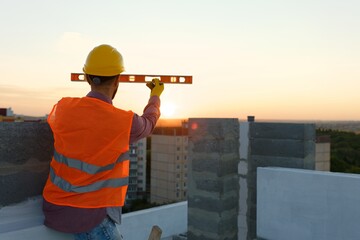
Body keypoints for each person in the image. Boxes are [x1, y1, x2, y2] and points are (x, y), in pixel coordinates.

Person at [42, 44, 164, 239]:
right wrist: (155, 96)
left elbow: (60, 122)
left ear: (86, 77)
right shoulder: (124, 121)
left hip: (55, 207)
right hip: (90, 216)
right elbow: (148, 124)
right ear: (118, 80)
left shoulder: (63, 107)